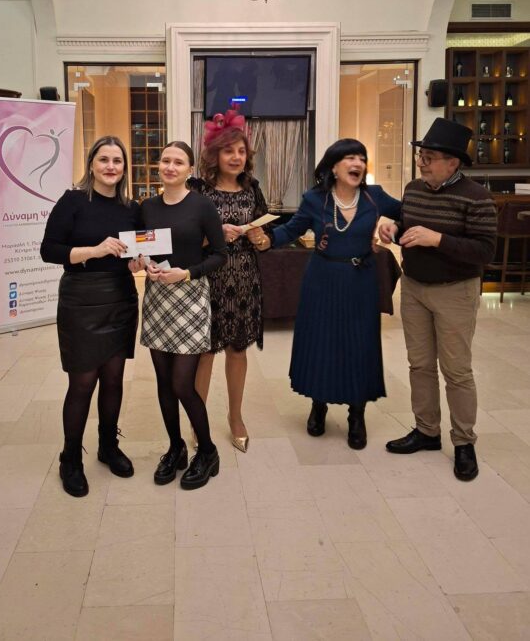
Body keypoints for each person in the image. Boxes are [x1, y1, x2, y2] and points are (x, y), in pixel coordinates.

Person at [251, 139, 401, 449]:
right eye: (350, 158)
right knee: (322, 343)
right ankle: (318, 405)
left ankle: (356, 415)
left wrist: (394, 228)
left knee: (360, 345)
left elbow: (406, 212)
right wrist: (266, 240)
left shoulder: (374, 196)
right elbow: (291, 229)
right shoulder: (314, 199)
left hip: (361, 281)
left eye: (362, 158)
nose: (358, 163)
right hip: (321, 279)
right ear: (333, 167)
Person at [379, 118, 497, 482]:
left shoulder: (477, 197)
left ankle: (463, 442)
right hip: (414, 288)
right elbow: (407, 224)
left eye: (429, 157)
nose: (421, 162)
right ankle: (427, 430)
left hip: (455, 292)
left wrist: (439, 240)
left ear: (453, 162)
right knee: (419, 365)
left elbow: (485, 251)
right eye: (421, 156)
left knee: (456, 371)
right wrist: (393, 227)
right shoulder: (414, 189)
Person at [40, 136, 140, 498]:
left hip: (120, 297)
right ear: (92, 164)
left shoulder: (132, 208)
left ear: (124, 168)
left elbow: (136, 252)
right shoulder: (72, 201)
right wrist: (94, 251)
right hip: (81, 299)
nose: (111, 166)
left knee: (113, 379)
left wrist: (137, 262)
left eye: (117, 160)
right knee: (82, 382)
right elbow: (49, 251)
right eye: (104, 159)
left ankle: (108, 446)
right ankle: (70, 458)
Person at [137, 141, 227, 489]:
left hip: (190, 296)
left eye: (178, 162)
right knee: (163, 383)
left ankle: (207, 450)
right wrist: (142, 262)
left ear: (190, 170)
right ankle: (175, 448)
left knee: (181, 384)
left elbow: (219, 255)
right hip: (157, 298)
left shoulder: (202, 205)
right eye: (165, 160)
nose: (170, 167)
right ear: (158, 166)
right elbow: (142, 249)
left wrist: (187, 273)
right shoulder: (147, 207)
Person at [190, 108, 267, 453]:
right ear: (214, 154)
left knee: (237, 350)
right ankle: (199, 420)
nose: (236, 157)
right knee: (204, 353)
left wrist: (260, 238)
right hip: (207, 280)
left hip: (244, 280)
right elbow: (186, 239)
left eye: (241, 151)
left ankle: (236, 417)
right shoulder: (198, 191)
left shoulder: (253, 190)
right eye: (228, 151)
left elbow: (264, 239)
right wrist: (214, 236)